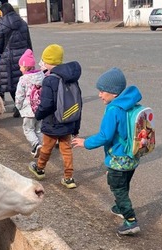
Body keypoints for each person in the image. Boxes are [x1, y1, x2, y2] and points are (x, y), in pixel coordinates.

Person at [72, 68, 142, 235]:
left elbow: (105, 136)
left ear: (114, 93)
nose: (99, 95)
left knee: (117, 188)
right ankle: (120, 207)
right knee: (124, 184)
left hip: (118, 158)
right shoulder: (131, 104)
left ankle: (131, 221)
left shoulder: (113, 110)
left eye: (102, 91)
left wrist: (86, 142)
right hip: (132, 156)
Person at [28, 44, 81, 189]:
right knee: (67, 150)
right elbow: (78, 102)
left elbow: (46, 104)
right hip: (69, 121)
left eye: (44, 60)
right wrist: (76, 126)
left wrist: (38, 115)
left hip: (52, 122)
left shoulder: (49, 80)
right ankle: (69, 178)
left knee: (46, 147)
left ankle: (39, 168)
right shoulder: (72, 78)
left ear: (48, 62)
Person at [0, 3, 32, 117]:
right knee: (23, 82)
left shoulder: (2, 25)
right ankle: (23, 105)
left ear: (3, 12)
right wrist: (30, 55)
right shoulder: (23, 23)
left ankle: (18, 106)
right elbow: (28, 41)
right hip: (23, 56)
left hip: (8, 57)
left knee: (12, 84)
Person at [15, 49, 44, 157]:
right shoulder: (41, 76)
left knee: (28, 129)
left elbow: (20, 94)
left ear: (25, 66)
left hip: (28, 109)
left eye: (21, 66)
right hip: (40, 108)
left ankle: (36, 145)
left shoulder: (23, 79)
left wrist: (18, 106)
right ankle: (40, 147)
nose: (20, 68)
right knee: (38, 129)